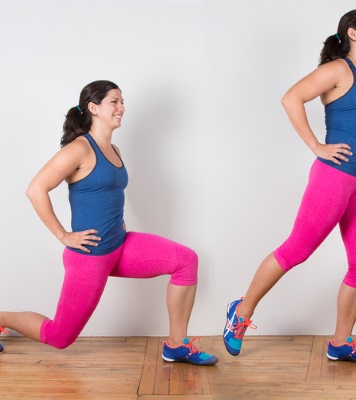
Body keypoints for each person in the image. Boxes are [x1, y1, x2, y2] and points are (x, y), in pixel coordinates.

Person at [0, 80, 217, 366]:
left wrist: (120, 220)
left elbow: (106, 194)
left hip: (120, 244)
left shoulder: (114, 150)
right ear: (94, 108)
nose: (121, 108)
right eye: (114, 101)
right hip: (90, 256)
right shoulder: (79, 149)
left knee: (186, 260)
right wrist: (64, 235)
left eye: (122, 101)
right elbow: (35, 189)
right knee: (59, 337)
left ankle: (176, 345)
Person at [223, 9, 356, 364]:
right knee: (297, 250)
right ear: (352, 33)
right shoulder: (338, 69)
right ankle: (241, 311)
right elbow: (291, 98)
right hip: (334, 177)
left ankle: (341, 342)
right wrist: (316, 146)